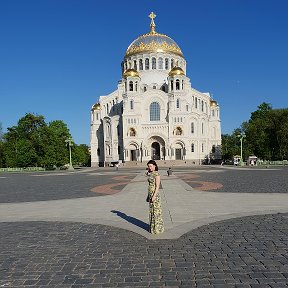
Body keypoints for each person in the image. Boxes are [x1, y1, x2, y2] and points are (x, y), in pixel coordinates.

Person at [146, 160, 164, 234]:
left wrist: (154, 196)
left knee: (156, 211)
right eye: (148, 166)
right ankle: (152, 228)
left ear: (155, 166)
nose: (149, 168)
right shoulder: (152, 173)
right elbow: (150, 178)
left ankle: (157, 229)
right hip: (150, 194)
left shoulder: (157, 175)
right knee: (152, 211)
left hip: (155, 195)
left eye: (150, 166)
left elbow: (157, 187)